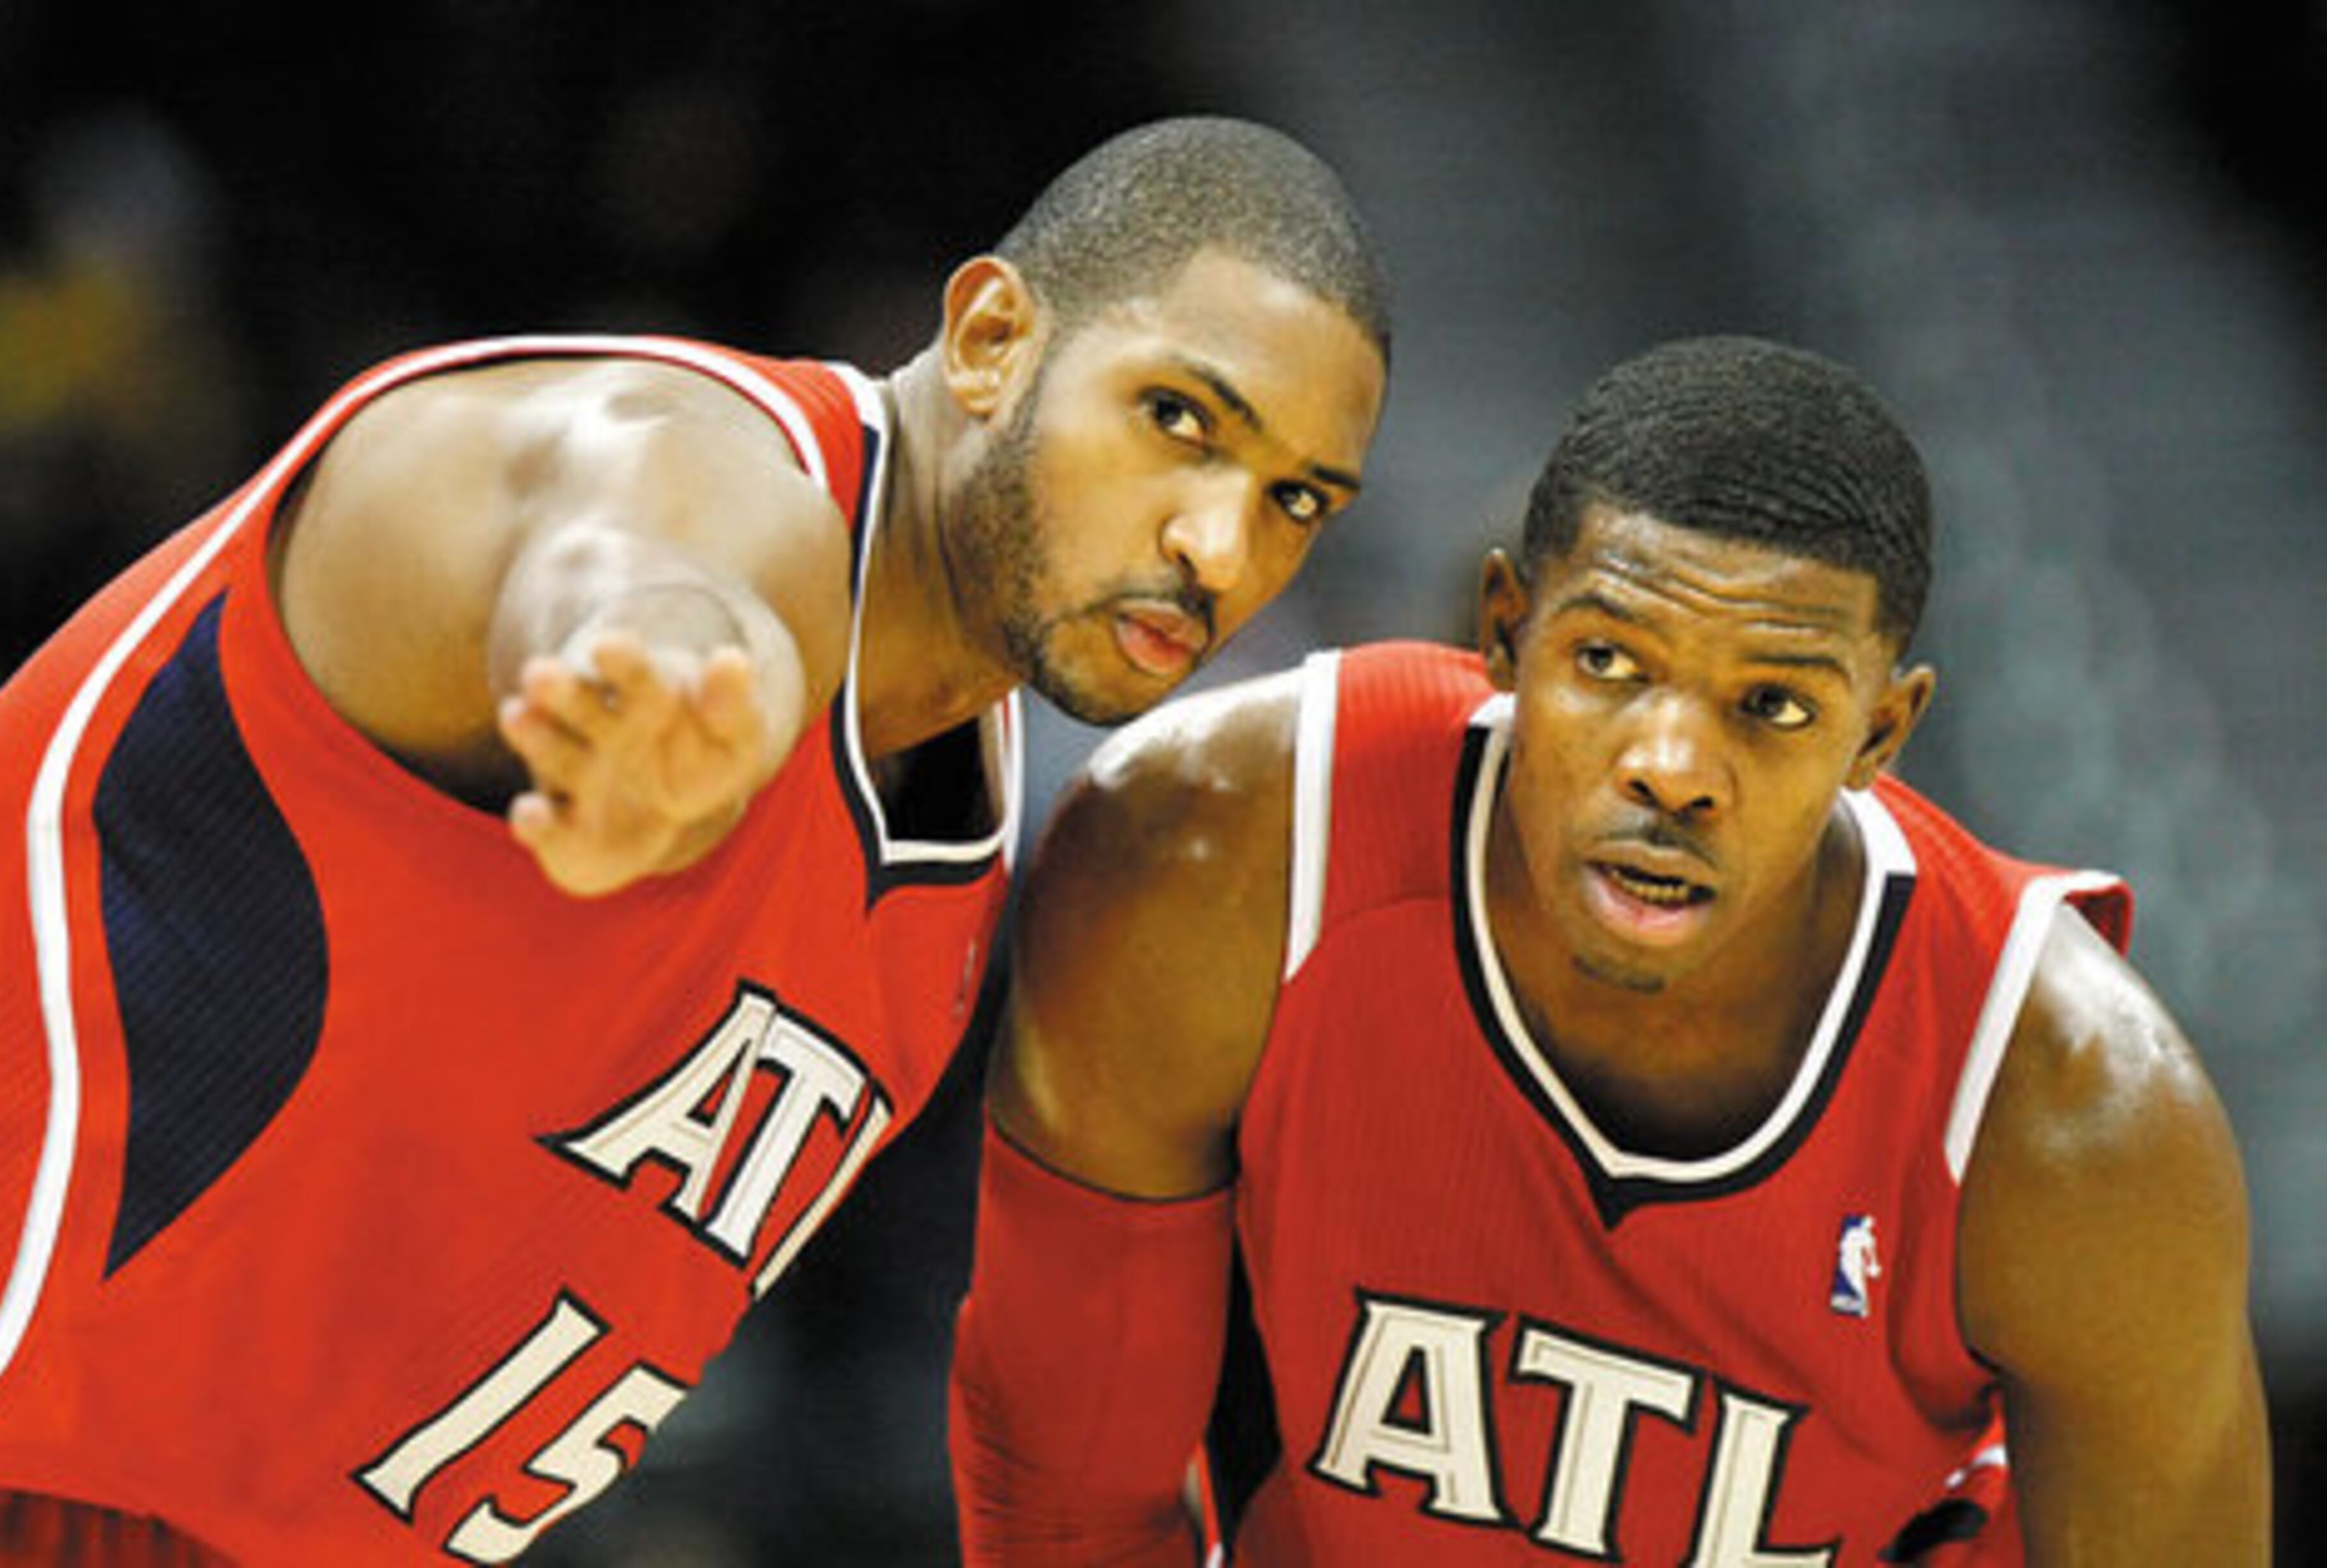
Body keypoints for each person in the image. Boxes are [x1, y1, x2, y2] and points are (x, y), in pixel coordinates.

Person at [0, 115, 1391, 1565]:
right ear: (993, 339)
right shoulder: (696, 464)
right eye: (1178, 420)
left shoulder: (965, 854)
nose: (1219, 546)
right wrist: (659, 659)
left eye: (1296, 501)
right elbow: (636, 539)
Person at [951, 336, 2270, 1563]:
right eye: (1610, 661)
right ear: (1506, 633)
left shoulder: (2075, 1117)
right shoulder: (1218, 850)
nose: (1673, 768)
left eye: (1773, 705)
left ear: (1881, 735)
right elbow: (1065, 1495)